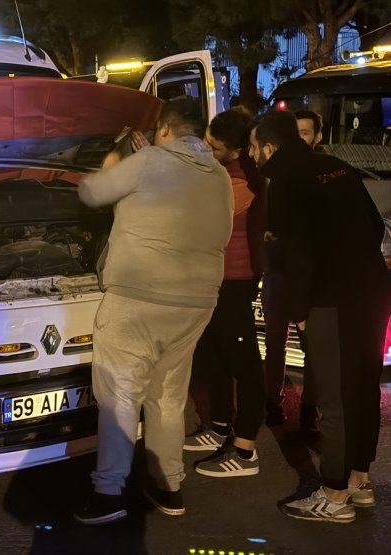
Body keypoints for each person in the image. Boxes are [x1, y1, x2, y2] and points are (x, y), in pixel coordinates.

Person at [72, 97, 233, 522]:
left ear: (163, 129)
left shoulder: (147, 163)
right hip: (197, 303)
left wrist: (112, 164)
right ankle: (169, 487)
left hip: (138, 300)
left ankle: (107, 495)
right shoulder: (218, 173)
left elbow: (89, 192)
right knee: (167, 396)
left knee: (120, 395)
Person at [248, 110, 390, 523]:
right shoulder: (336, 167)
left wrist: (300, 311)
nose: (252, 156)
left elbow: (298, 254)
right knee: (363, 387)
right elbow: (374, 228)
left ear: (270, 147)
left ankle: (333, 493)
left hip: (332, 298)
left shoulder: (287, 181)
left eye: (254, 148)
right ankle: (359, 480)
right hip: (373, 290)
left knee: (334, 396)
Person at [184, 110, 266, 478]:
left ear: (235, 151)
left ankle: (245, 449)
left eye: (214, 147)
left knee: (244, 363)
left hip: (234, 280)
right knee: (211, 355)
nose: (206, 148)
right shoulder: (218, 171)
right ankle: (218, 427)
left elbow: (197, 217)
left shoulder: (241, 180)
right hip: (213, 280)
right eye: (205, 139)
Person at [262, 109, 323, 432]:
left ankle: (309, 409)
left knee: (311, 344)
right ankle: (272, 402)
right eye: (296, 132)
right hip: (277, 271)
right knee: (274, 342)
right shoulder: (275, 174)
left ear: (317, 136)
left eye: (306, 132)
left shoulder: (320, 174)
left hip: (306, 273)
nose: (301, 138)